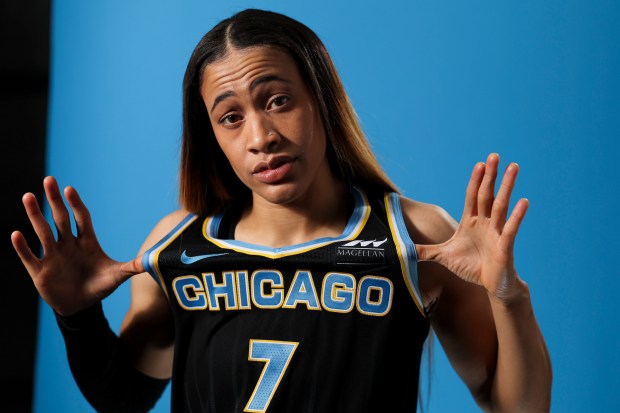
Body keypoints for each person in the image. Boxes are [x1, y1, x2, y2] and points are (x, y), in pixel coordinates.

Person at [11, 8, 552, 413]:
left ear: (322, 98)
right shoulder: (177, 244)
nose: (261, 137)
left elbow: (516, 407)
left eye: (278, 100)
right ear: (212, 137)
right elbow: (124, 399)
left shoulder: (414, 237)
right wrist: (75, 316)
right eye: (230, 117)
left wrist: (509, 296)